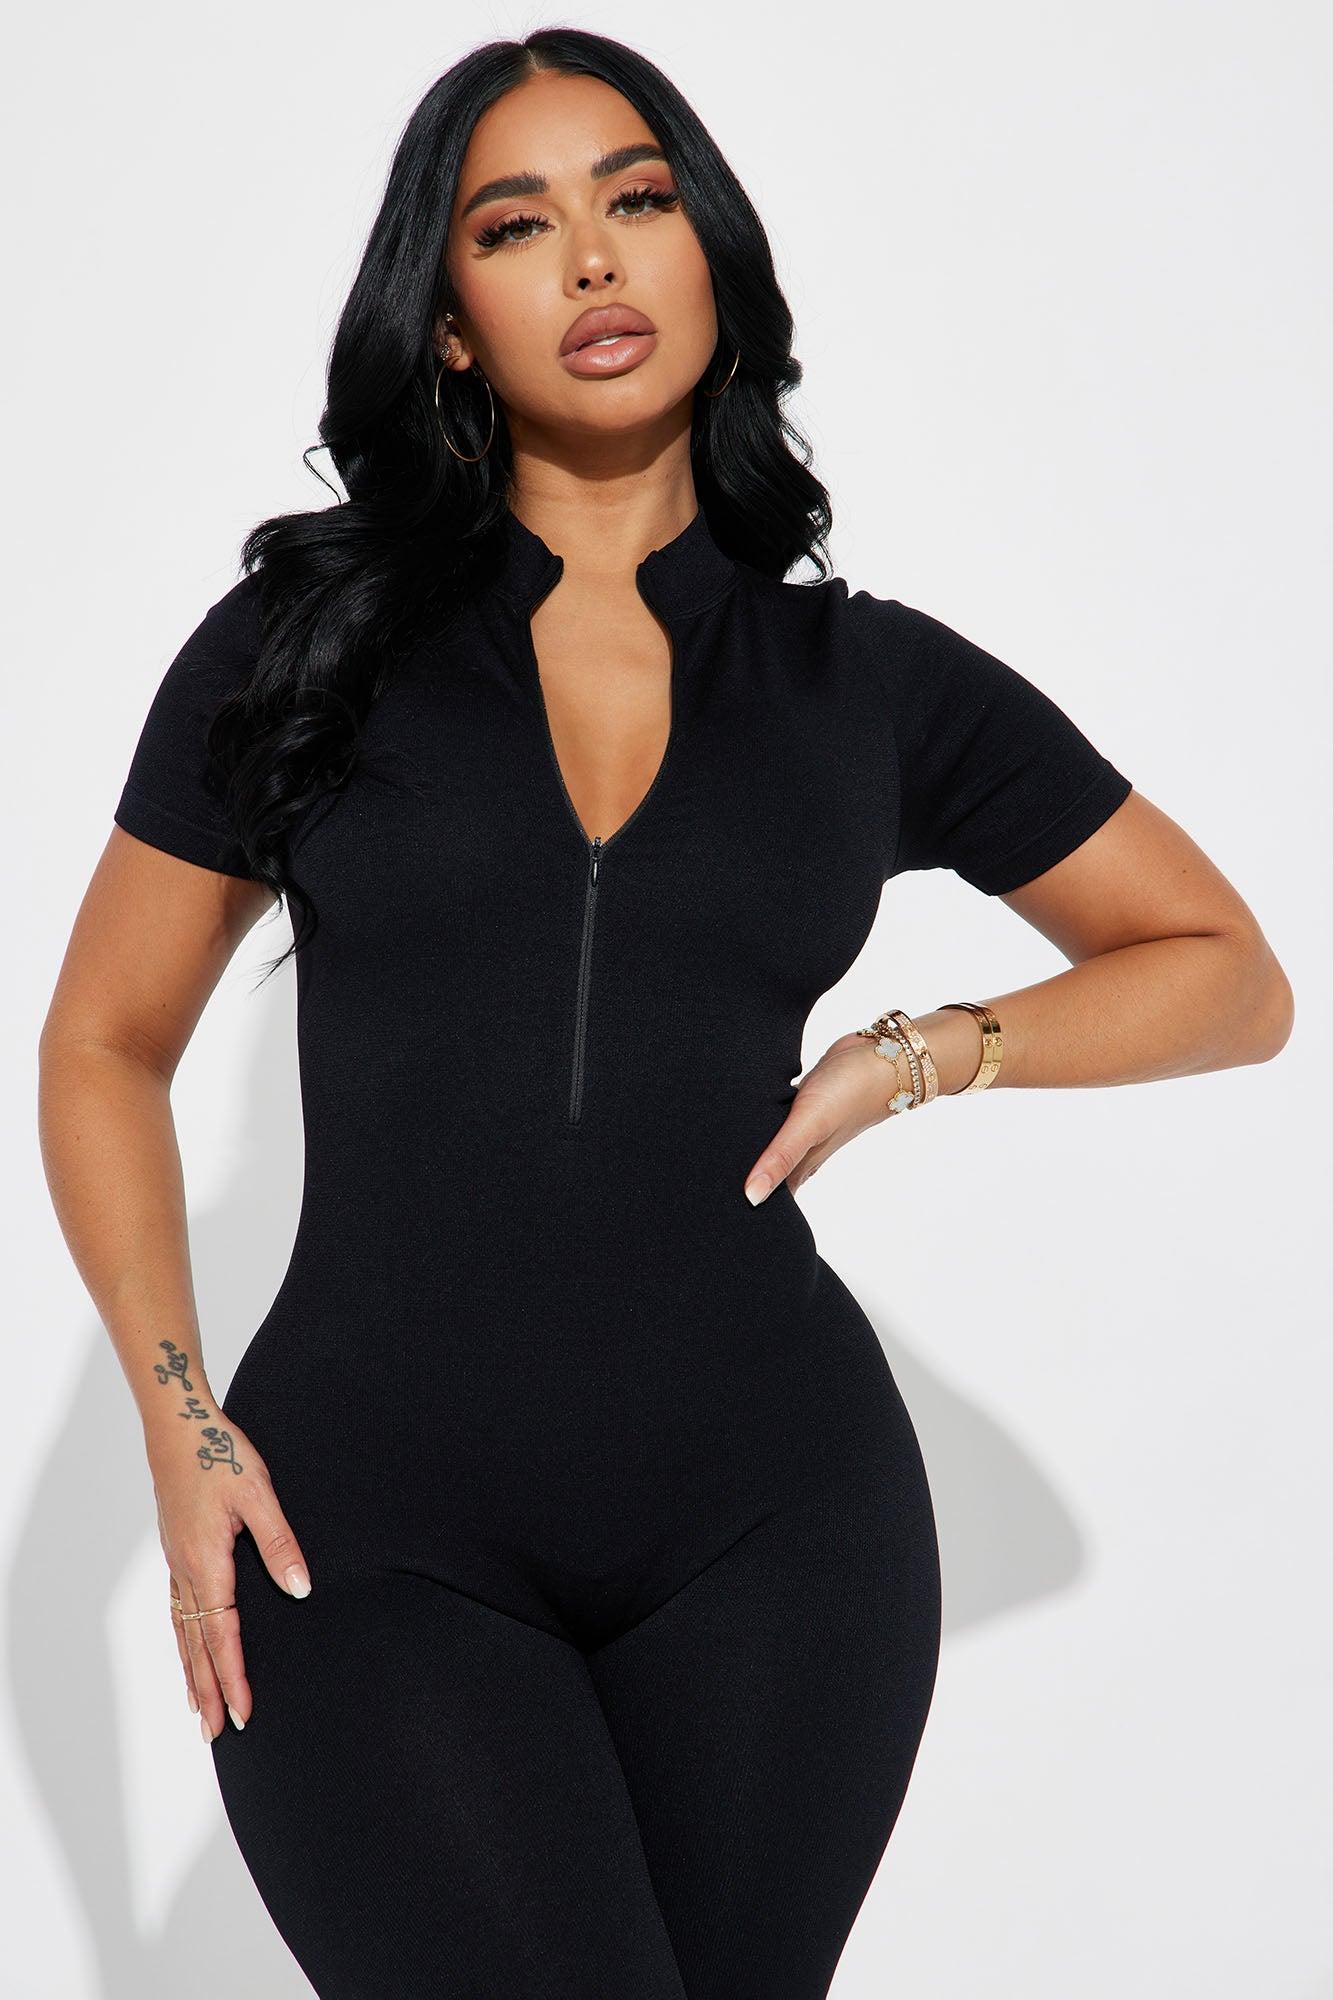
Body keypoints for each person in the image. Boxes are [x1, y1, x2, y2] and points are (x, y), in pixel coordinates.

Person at [37, 29, 1294, 2000]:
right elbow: (103, 1042)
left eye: (636, 199)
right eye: (514, 226)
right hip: (365, 1532)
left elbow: (1226, 969)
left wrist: (919, 1053)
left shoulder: (864, 683)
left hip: (777, 1534)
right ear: (446, 325)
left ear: (710, 250)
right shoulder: (305, 649)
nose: (594, 259)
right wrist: (177, 1418)